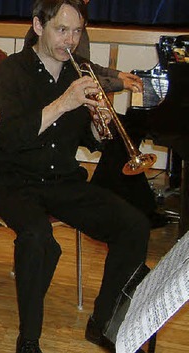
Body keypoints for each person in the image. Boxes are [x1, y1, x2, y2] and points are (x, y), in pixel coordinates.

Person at [0, 1, 150, 353]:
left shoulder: (81, 71)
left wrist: (97, 123)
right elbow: (10, 138)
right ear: (37, 26)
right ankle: (28, 339)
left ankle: (103, 321)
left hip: (63, 181)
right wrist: (64, 102)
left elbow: (88, 140)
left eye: (77, 31)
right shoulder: (9, 72)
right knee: (37, 237)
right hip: (16, 181)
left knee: (133, 225)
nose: (71, 40)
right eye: (62, 30)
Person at [24, 0, 166, 229]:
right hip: (54, 106)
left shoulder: (75, 19)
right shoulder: (50, 27)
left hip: (72, 98)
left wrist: (118, 74)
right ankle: (124, 196)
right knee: (121, 133)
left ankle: (126, 197)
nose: (71, 37)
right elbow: (76, 76)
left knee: (124, 128)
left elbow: (86, 66)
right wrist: (118, 83)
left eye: (76, 31)